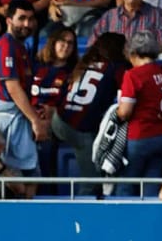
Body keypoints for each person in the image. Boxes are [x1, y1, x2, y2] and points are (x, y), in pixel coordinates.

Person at [51, 30, 125, 192]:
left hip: (58, 119)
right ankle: (81, 213)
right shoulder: (116, 67)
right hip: (79, 128)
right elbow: (125, 96)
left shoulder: (85, 61)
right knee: (92, 180)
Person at [0, 0, 47, 180]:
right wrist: (34, 120)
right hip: (8, 116)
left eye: (30, 19)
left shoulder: (20, 46)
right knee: (12, 174)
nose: (27, 24)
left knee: (27, 173)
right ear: (8, 21)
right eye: (21, 19)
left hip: (18, 113)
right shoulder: (7, 46)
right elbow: (12, 87)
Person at [113, 32, 162, 194]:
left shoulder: (133, 75)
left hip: (140, 136)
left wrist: (112, 116)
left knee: (126, 183)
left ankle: (121, 219)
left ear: (132, 53)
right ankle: (150, 218)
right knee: (151, 185)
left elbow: (125, 112)